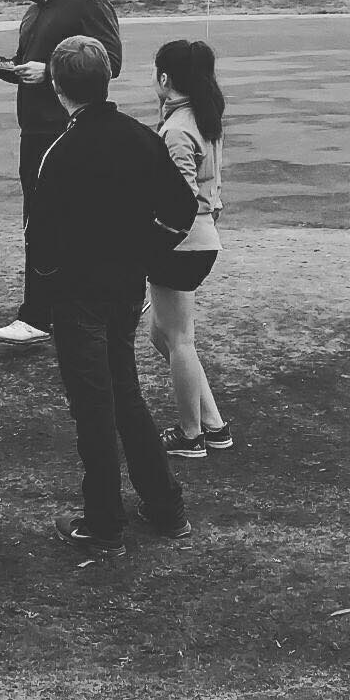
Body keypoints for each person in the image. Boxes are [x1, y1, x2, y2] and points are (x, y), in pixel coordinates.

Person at [29, 35, 197, 553]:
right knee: (124, 394)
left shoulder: (60, 152)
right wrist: (144, 253)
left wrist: (50, 287)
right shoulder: (140, 138)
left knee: (94, 407)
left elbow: (41, 242)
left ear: (57, 87)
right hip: (124, 288)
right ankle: (165, 506)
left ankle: (104, 523)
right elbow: (181, 209)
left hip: (79, 294)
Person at [0, 0, 122, 348]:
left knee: (57, 221)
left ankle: (39, 315)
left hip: (69, 131)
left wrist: (50, 71)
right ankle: (83, 303)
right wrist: (5, 68)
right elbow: (31, 67)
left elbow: (110, 62)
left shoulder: (87, 4)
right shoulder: (35, 10)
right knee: (50, 221)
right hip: (36, 131)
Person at [147, 38, 231, 458]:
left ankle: (191, 434)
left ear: (165, 78)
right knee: (162, 334)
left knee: (178, 339)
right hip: (200, 239)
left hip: (179, 243)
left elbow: (179, 199)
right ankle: (213, 425)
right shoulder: (203, 117)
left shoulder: (178, 128)